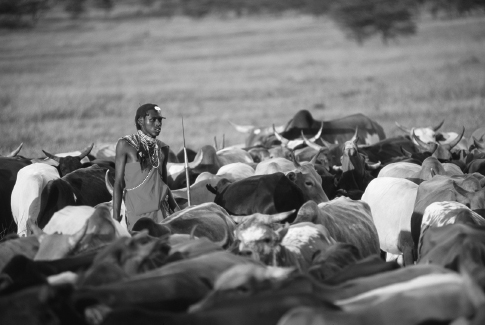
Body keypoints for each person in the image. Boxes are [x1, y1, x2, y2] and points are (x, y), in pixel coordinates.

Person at [113, 103, 180, 230]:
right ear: (140, 121)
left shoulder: (163, 148)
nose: (158, 123)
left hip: (161, 214)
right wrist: (115, 219)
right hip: (136, 215)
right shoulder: (125, 145)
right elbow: (118, 184)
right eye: (153, 120)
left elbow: (164, 186)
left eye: (160, 120)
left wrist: (178, 212)